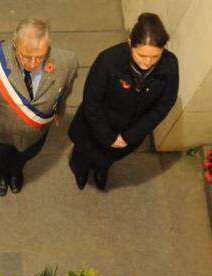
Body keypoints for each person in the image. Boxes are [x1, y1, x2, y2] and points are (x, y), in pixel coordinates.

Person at [0, 18, 78, 196]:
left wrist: (59, 111)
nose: (33, 63)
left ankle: (16, 171)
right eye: (26, 56)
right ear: (14, 45)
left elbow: (65, 90)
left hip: (36, 132)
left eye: (40, 57)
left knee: (25, 156)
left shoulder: (67, 62)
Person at [68, 12, 178, 191]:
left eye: (155, 57)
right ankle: (80, 170)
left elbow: (165, 103)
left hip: (131, 129)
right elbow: (92, 100)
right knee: (84, 153)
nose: (148, 62)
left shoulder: (170, 65)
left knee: (109, 158)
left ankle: (101, 170)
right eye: (142, 55)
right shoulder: (109, 61)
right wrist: (108, 136)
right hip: (97, 125)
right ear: (130, 44)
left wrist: (130, 136)